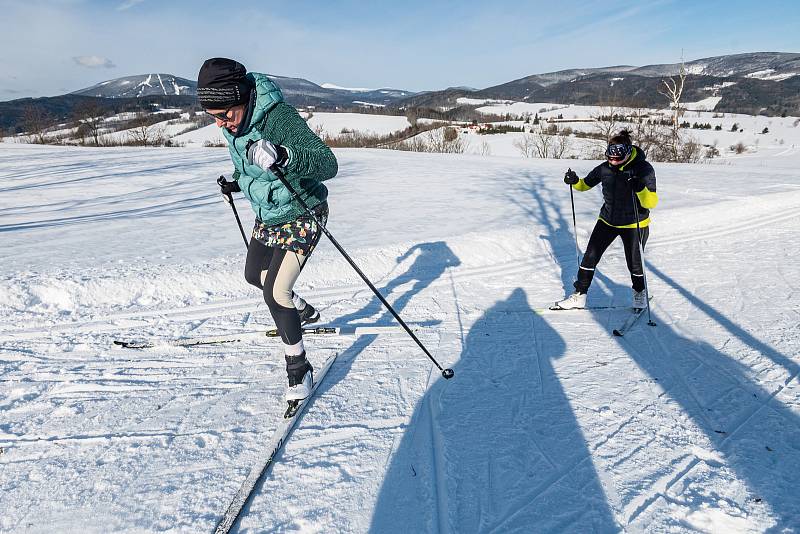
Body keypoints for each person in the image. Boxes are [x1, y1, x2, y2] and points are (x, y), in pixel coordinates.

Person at [197, 57, 338, 404]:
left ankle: (298, 368)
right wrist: (238, 184)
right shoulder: (234, 125)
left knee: (275, 292)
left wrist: (284, 155)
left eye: (226, 114)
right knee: (253, 274)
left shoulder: (278, 118)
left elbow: (327, 163)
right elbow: (249, 167)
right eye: (213, 117)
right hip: (271, 214)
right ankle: (301, 311)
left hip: (303, 211)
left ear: (243, 97)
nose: (221, 124)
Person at [554, 130, 658, 310]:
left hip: (635, 222)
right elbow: (585, 185)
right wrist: (574, 180)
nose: (613, 163)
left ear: (627, 153)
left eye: (617, 160)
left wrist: (640, 187)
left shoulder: (643, 169)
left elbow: (651, 202)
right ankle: (580, 295)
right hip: (608, 220)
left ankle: (640, 293)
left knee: (634, 262)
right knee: (590, 257)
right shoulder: (605, 168)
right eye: (610, 158)